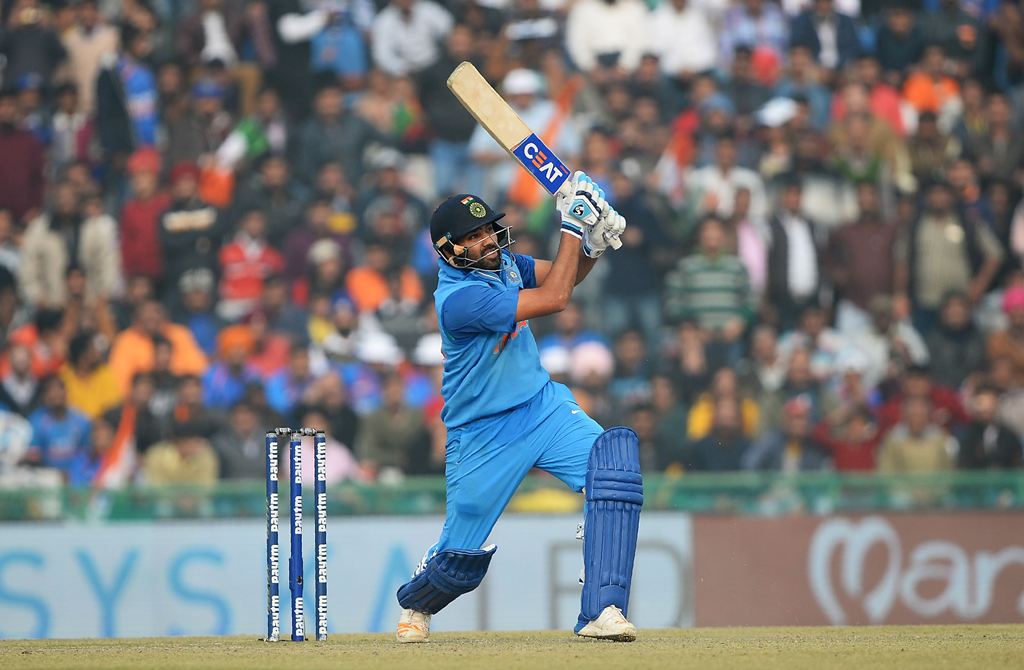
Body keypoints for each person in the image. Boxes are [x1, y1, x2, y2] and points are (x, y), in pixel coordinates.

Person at [393, 173, 638, 644]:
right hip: (483, 432)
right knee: (458, 563)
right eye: (472, 237)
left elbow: (561, 276)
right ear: (448, 250)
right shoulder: (459, 301)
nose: (486, 240)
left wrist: (592, 243)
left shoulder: (502, 263)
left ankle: (601, 610)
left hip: (542, 408)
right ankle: (418, 601)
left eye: (487, 230)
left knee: (614, 471)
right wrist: (572, 224)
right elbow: (555, 299)